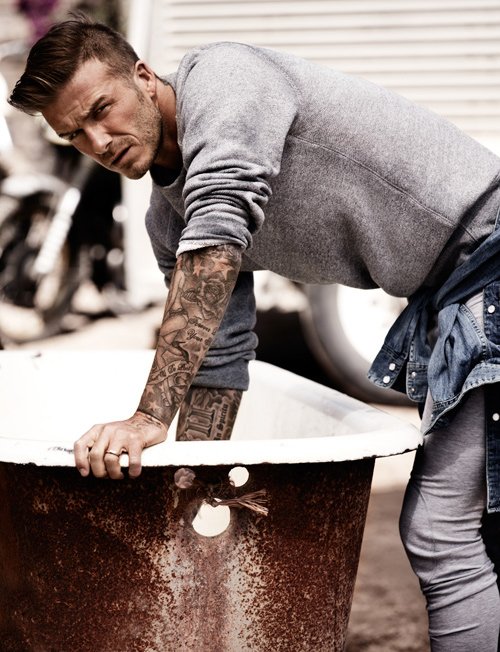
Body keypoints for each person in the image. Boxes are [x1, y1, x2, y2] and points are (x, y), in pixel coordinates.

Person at [8, 15, 500, 650]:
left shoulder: (225, 77)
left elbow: (221, 219)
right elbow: (217, 354)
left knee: (441, 530)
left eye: (102, 109)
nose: (99, 142)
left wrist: (148, 418)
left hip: (487, 257)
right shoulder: (167, 218)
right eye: (74, 134)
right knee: (478, 525)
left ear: (144, 76)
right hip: (454, 290)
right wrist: (187, 491)